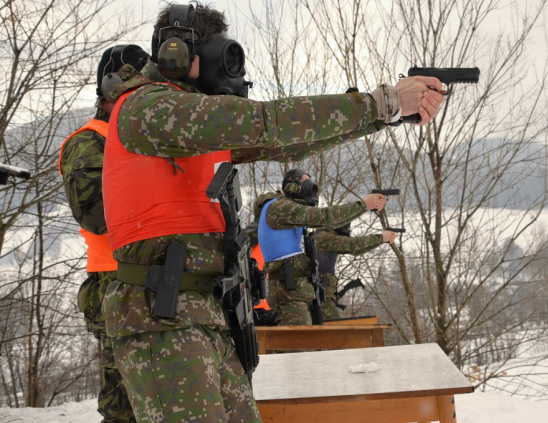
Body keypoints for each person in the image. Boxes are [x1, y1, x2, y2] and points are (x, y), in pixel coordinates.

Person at [100, 2, 444, 422]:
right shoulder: (149, 109)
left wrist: (387, 115)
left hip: (203, 311)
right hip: (161, 316)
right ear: (176, 54)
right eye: (218, 56)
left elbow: (288, 142)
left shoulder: (190, 122)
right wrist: (380, 102)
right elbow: (267, 122)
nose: (227, 69)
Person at [58, 44, 149, 423]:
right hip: (115, 284)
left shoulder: (136, 138)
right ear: (113, 88)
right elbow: (95, 214)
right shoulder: (89, 142)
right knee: (125, 405)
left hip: (147, 279)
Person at [255, 169, 389, 325]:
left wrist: (364, 208)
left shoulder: (286, 212)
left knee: (301, 344)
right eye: (307, 185)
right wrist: (363, 205)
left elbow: (330, 221)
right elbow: (325, 217)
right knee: (296, 346)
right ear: (292, 186)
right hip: (288, 292)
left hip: (293, 290)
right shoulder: (279, 208)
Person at [315, 223, 396, 320]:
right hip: (321, 295)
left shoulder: (327, 237)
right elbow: (352, 244)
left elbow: (356, 250)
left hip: (324, 294)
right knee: (337, 330)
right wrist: (381, 237)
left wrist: (382, 240)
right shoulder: (324, 237)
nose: (347, 229)